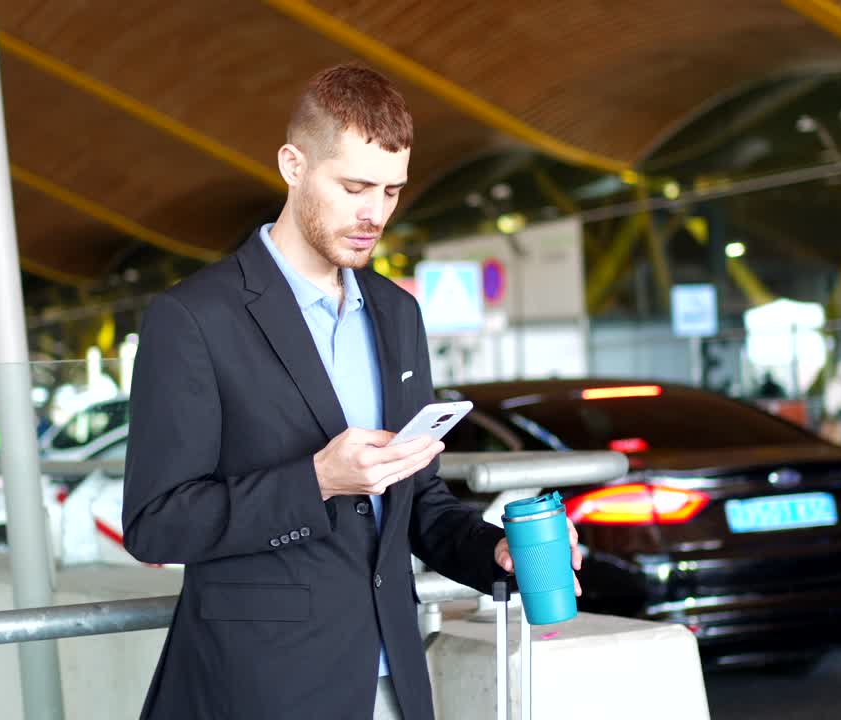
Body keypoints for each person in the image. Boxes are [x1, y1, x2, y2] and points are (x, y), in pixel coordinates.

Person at [121, 64, 581, 720]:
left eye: (392, 192)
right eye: (355, 187)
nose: (375, 215)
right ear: (292, 164)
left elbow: (417, 502)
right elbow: (156, 524)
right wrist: (317, 481)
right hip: (261, 689)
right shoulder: (194, 319)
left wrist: (492, 552)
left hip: (394, 679)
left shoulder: (397, 313)